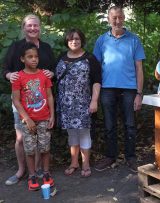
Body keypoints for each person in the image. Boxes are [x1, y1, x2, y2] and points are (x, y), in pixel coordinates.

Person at [2, 14, 54, 185]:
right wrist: (10, 75)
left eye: (36, 25)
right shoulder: (16, 47)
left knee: (39, 137)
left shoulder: (46, 48)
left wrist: (51, 73)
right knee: (21, 138)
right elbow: (5, 70)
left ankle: (37, 170)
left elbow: (53, 70)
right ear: (23, 27)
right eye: (29, 25)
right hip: (21, 102)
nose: (33, 28)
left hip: (41, 103)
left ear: (40, 27)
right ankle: (21, 170)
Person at [93, 6, 145, 173]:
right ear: (108, 19)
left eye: (120, 17)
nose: (117, 21)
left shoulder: (134, 40)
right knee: (109, 125)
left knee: (130, 125)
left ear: (124, 18)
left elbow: (139, 68)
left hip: (129, 89)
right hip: (107, 88)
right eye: (114, 17)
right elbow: (96, 68)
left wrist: (139, 93)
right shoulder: (101, 40)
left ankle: (130, 157)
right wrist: (95, 91)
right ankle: (111, 156)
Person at [56, 28, 101, 177]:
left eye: (77, 39)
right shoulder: (61, 57)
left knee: (84, 133)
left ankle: (86, 164)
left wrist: (94, 101)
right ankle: (74, 162)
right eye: (71, 39)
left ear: (82, 40)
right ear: (67, 41)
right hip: (65, 103)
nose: (74, 41)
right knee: (72, 134)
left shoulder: (90, 58)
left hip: (83, 103)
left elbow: (96, 81)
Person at [11, 42, 55, 191]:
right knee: (29, 150)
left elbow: (49, 96)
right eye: (30, 57)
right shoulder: (18, 77)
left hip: (44, 118)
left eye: (36, 56)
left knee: (45, 148)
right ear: (23, 59)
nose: (34, 59)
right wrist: (27, 118)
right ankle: (32, 175)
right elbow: (16, 100)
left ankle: (46, 173)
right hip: (28, 120)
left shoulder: (44, 75)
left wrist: (52, 116)